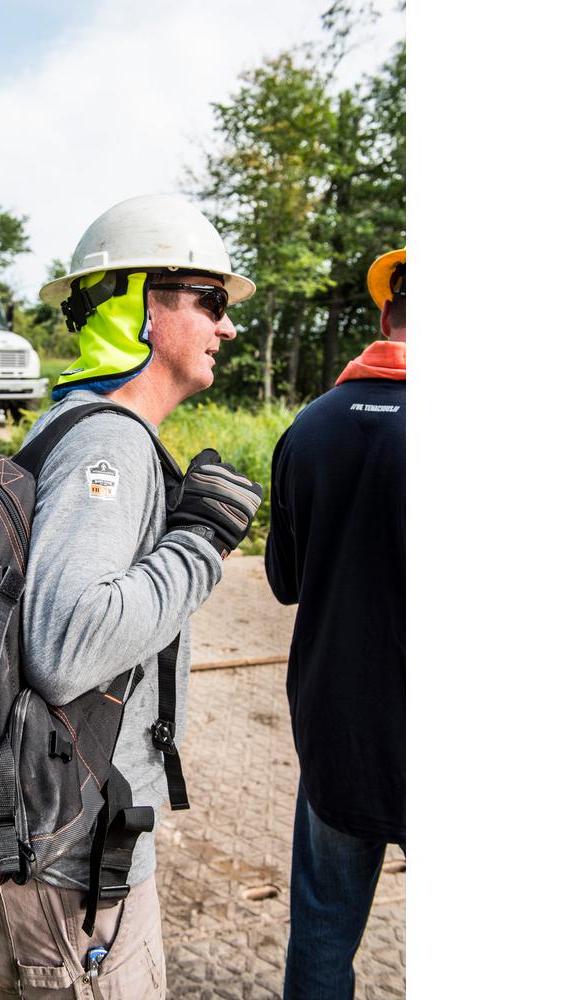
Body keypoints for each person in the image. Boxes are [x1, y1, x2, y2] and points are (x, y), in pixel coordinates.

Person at [0, 193, 264, 999]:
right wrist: (199, 546)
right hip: (73, 870)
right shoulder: (109, 441)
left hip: (37, 844)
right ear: (139, 310)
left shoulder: (66, 423)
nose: (226, 325)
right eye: (210, 301)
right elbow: (67, 648)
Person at [265, 248, 406, 1000]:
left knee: (322, 932)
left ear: (386, 315)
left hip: (336, 728)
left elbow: (286, 584)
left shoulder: (308, 428)